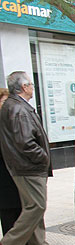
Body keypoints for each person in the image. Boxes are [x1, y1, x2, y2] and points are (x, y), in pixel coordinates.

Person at [0, 71, 66, 245]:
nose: (32, 87)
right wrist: (43, 158)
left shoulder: (16, 106)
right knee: (36, 205)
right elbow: (25, 142)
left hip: (26, 166)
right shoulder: (18, 108)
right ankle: (10, 243)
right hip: (28, 167)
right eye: (30, 84)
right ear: (23, 87)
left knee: (33, 205)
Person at [0, 87, 22, 237]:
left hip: (15, 167)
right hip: (3, 169)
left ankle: (20, 238)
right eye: (3, 101)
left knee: (19, 202)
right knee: (7, 205)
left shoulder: (10, 119)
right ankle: (9, 239)